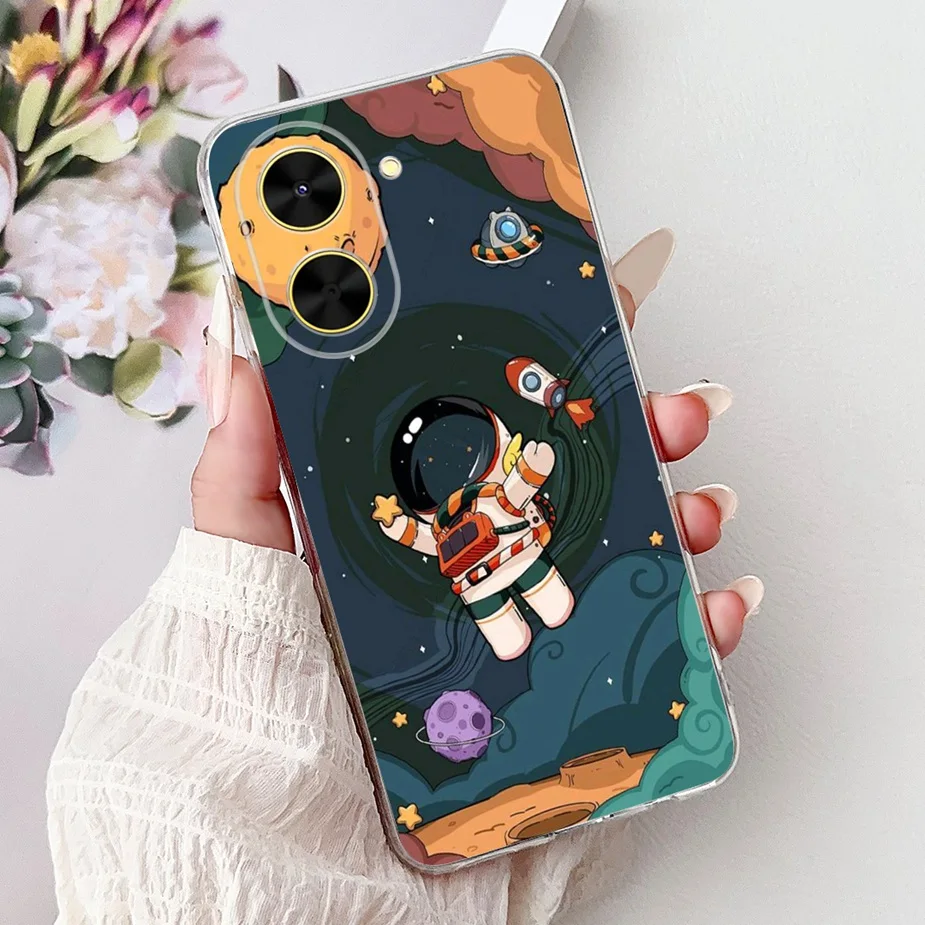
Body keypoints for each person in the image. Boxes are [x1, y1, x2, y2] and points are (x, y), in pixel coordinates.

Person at [47, 232, 764, 924]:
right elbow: (429, 529)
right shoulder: (444, 518)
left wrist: (528, 470)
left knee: (549, 595)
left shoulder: (491, 491)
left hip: (511, 557)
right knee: (512, 628)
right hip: (481, 581)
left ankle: (540, 624)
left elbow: (516, 482)